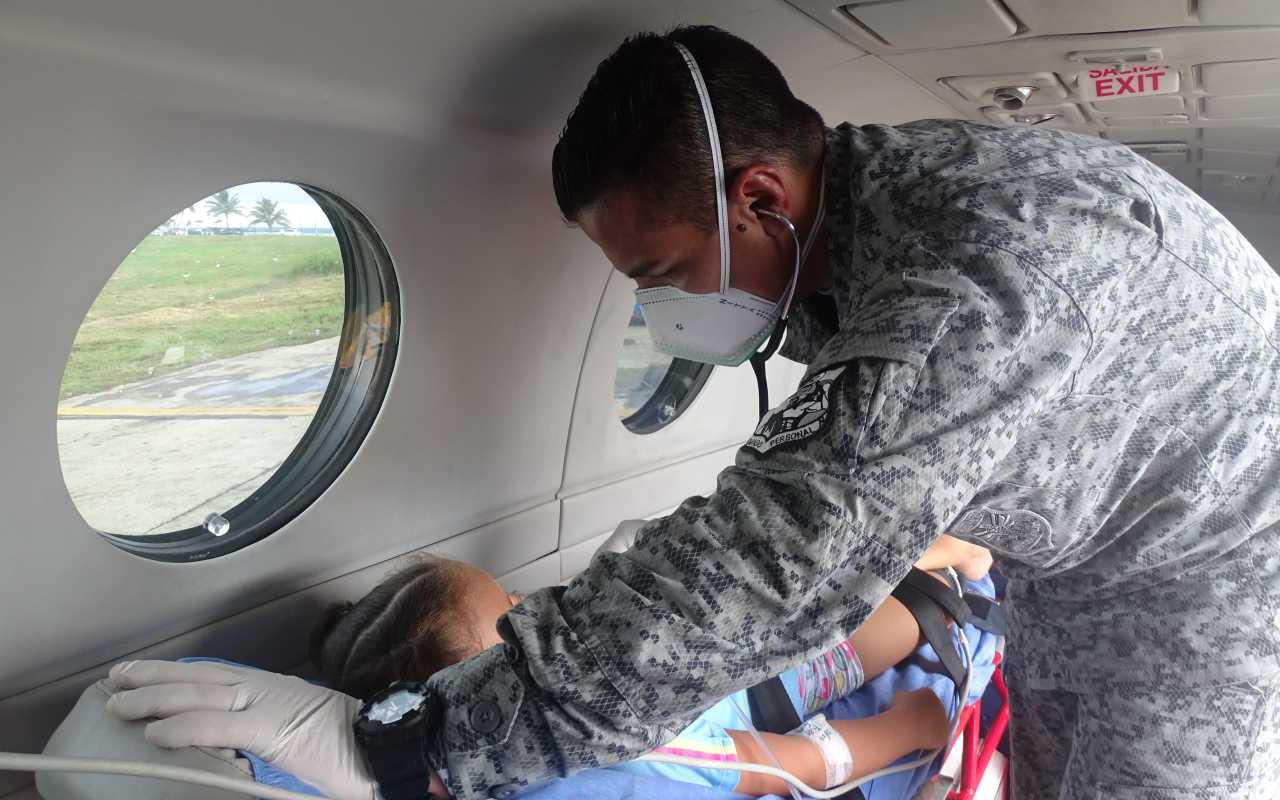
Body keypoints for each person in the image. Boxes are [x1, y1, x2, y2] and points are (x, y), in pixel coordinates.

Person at [107, 24, 1280, 800]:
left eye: (662, 273)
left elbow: (779, 554)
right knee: (1046, 754)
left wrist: (408, 743)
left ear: (758, 195)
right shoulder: (859, 225)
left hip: (1213, 572)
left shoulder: (975, 281)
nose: (661, 310)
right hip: (1079, 548)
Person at [305, 542, 989, 796]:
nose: (536, 614)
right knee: (875, 633)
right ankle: (947, 571)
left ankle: (929, 560)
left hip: (717, 646)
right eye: (514, 622)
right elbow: (776, 763)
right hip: (762, 694)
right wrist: (906, 731)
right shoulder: (599, 755)